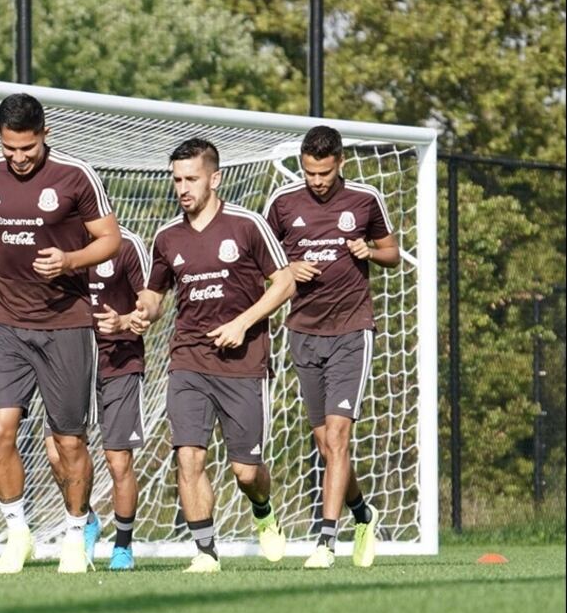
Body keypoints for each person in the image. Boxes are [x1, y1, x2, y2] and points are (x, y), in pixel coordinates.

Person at [0, 93, 121, 574]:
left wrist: (70, 260)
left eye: (27, 148)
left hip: (65, 326)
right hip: (6, 323)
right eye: (10, 149)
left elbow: (109, 239)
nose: (18, 158)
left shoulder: (75, 177)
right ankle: (19, 532)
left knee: (68, 441)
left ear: (45, 134)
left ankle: (75, 532)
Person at [130, 138, 294, 574]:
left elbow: (285, 282)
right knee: (189, 456)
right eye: (177, 180)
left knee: (245, 472)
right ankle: (205, 551)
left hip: (244, 364)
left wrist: (243, 322)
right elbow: (154, 295)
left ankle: (263, 509)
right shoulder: (167, 237)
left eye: (191, 179)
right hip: (188, 360)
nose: (183, 188)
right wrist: (140, 313)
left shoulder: (246, 225)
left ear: (214, 178)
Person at [263, 125, 397, 569]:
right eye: (309, 173)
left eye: (323, 172)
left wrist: (369, 252)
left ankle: (325, 541)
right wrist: (289, 266)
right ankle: (364, 514)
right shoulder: (283, 203)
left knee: (339, 437)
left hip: (351, 330)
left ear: (340, 162)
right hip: (303, 330)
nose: (316, 181)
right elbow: (262, 261)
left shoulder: (365, 199)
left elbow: (392, 253)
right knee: (324, 443)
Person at [41, 226, 150, 570]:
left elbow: (151, 304)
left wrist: (125, 321)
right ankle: (86, 520)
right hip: (69, 364)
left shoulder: (128, 246)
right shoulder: (56, 245)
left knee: (118, 461)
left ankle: (123, 546)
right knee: (56, 454)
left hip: (119, 363)